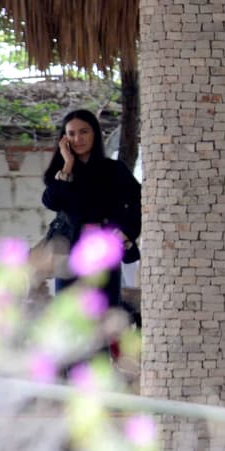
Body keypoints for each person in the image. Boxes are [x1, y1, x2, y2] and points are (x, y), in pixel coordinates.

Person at [41, 109, 141, 310]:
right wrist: (68, 164)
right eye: (71, 133)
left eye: (84, 131)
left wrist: (125, 233)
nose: (78, 138)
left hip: (104, 250)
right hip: (69, 252)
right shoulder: (61, 172)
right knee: (68, 317)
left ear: (95, 133)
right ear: (64, 139)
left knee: (103, 315)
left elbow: (139, 202)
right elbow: (51, 202)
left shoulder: (114, 170)